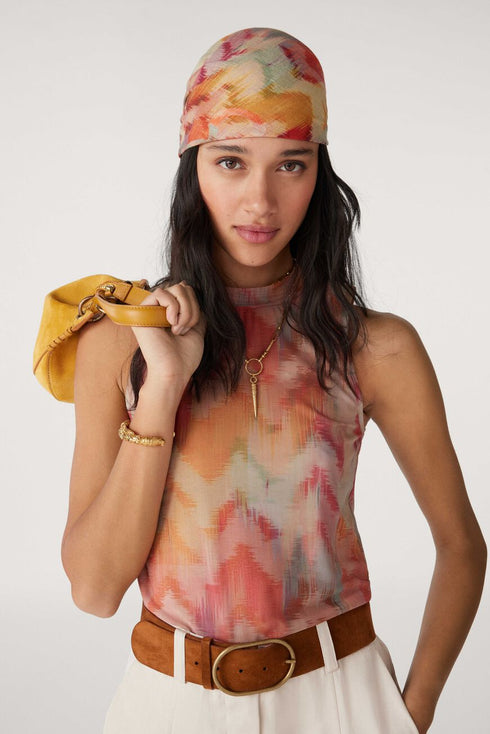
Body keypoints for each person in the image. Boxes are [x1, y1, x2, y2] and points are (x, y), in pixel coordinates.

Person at [60, 27, 486, 734]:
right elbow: (95, 590)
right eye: (230, 161)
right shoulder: (120, 342)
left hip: (341, 698)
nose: (259, 200)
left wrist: (411, 712)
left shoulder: (376, 347)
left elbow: (462, 546)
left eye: (290, 164)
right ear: (192, 168)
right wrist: (163, 386)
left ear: (319, 173)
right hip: (168, 705)